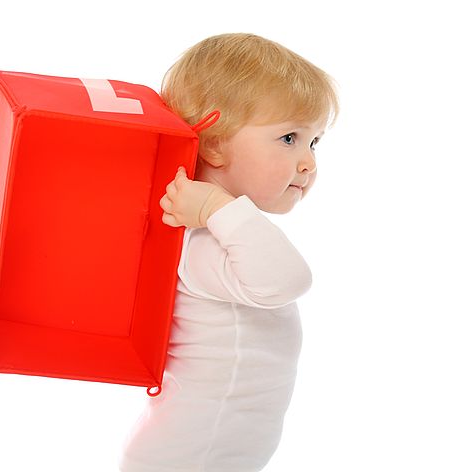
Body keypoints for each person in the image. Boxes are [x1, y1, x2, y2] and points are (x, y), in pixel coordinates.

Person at [119, 33, 340, 472]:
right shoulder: (201, 245)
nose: (309, 162)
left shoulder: (224, 236)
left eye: (313, 143)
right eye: (289, 138)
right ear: (215, 144)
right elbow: (287, 281)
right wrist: (219, 208)